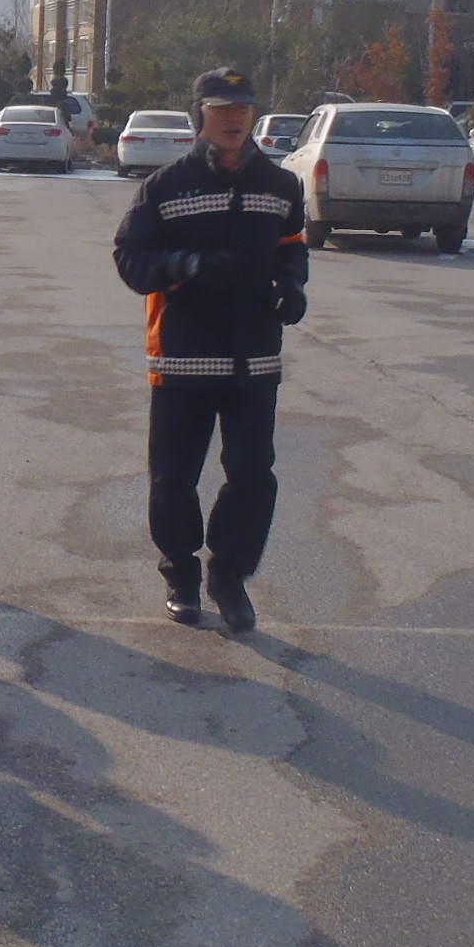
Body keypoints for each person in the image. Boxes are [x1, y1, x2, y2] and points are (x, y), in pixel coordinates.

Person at [111, 66, 308, 634]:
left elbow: (292, 248)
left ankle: (229, 573)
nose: (234, 119)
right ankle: (180, 575)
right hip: (183, 358)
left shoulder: (280, 186)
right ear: (201, 114)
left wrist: (292, 286)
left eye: (242, 108)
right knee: (172, 478)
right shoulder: (165, 187)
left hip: (254, 359)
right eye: (222, 110)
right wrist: (183, 265)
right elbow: (130, 257)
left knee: (253, 474)